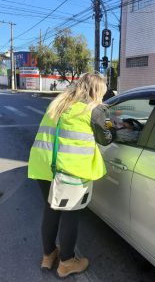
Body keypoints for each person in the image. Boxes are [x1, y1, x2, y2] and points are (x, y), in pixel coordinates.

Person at [28, 72, 115, 278]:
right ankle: (67, 262)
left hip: (43, 166)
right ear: (97, 90)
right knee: (70, 214)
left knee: (51, 208)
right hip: (68, 170)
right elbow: (106, 139)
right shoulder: (94, 110)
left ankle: (48, 256)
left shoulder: (58, 103)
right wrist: (114, 126)